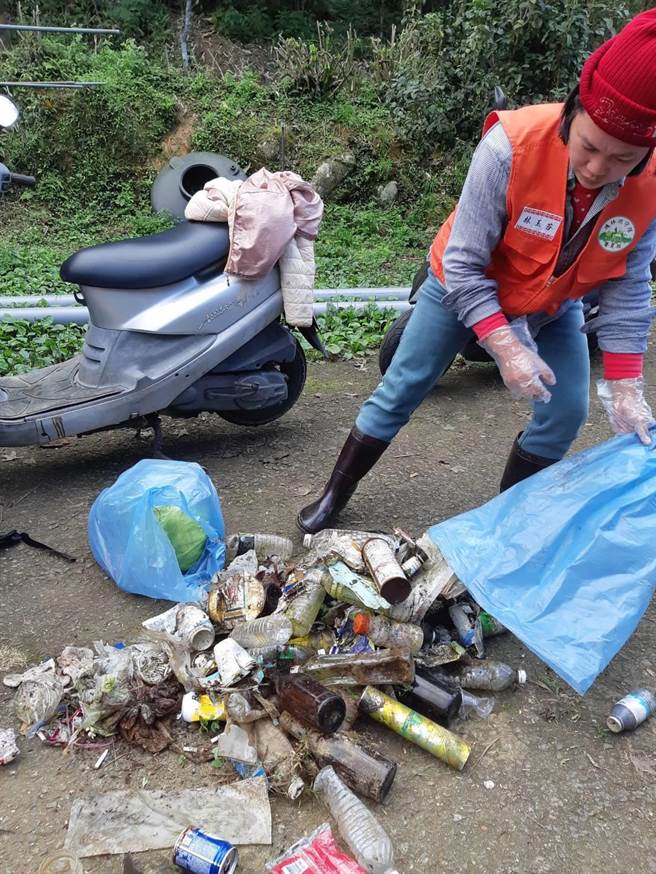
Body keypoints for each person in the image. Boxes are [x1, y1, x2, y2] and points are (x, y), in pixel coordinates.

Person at [298, 8, 656, 535]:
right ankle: (334, 493)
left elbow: (628, 286)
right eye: (589, 146)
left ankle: (502, 525)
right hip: (459, 288)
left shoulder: (650, 187)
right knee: (403, 386)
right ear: (571, 113)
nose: (599, 168)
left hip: (553, 304)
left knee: (567, 412)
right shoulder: (510, 146)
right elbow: (464, 265)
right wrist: (505, 347)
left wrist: (627, 385)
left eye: (623, 158)